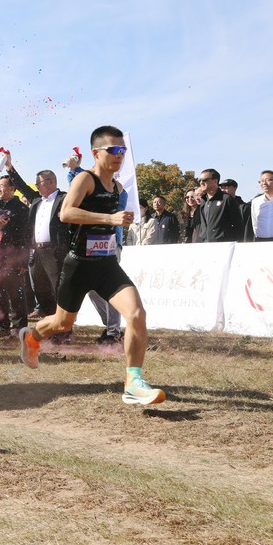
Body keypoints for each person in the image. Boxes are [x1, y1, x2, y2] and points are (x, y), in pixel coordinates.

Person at [18, 125, 166, 407]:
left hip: (106, 264)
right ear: (96, 153)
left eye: (122, 150)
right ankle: (32, 338)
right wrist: (109, 219)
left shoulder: (117, 187)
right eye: (114, 150)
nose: (119, 155)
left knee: (136, 314)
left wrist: (120, 220)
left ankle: (133, 382)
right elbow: (66, 213)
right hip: (79, 265)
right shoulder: (85, 179)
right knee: (62, 323)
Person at [6, 155, 73, 320]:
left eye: (39, 182)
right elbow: (21, 186)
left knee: (58, 287)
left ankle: (64, 324)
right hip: (37, 251)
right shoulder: (36, 200)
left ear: (51, 182)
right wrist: (9, 167)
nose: (36, 185)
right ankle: (50, 319)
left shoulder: (64, 198)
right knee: (39, 287)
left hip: (55, 251)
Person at [0, 173, 31, 338]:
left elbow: (27, 236)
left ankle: (19, 327)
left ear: (12, 189)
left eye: (2, 186)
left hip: (14, 256)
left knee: (16, 291)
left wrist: (24, 260)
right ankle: (3, 326)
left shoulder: (22, 209)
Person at [194, 169, 243, 243]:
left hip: (224, 244)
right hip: (207, 244)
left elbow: (238, 225)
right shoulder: (204, 201)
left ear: (215, 181)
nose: (201, 182)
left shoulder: (226, 199)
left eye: (204, 180)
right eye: (199, 180)